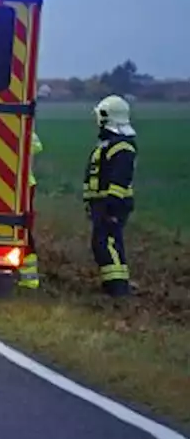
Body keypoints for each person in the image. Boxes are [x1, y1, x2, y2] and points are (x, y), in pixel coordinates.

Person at [82, 95, 138, 298]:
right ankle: (113, 286)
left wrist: (112, 206)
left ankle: (118, 289)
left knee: (108, 243)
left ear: (106, 117)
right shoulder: (109, 144)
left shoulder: (122, 147)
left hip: (112, 204)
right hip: (103, 203)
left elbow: (120, 178)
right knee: (104, 243)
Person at [17, 130, 43, 290]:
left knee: (23, 231)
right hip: (24, 184)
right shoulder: (23, 128)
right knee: (23, 230)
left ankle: (29, 279)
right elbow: (36, 146)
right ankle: (28, 278)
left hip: (23, 185)